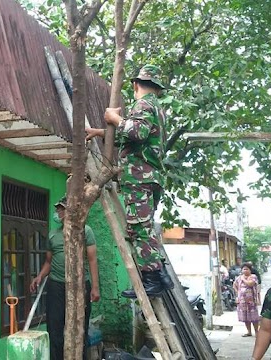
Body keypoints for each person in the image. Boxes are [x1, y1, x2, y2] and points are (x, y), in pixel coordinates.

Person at [85, 64, 173, 296]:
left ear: (136, 85)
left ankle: (153, 279)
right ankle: (160, 275)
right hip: (149, 176)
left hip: (139, 176)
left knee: (139, 229)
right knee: (143, 228)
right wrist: (101, 132)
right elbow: (138, 138)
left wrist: (115, 118)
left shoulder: (143, 104)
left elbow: (137, 133)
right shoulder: (157, 109)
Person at [30, 196, 100, 360]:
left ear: (71, 211)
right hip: (56, 286)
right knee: (54, 328)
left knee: (79, 329)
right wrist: (39, 277)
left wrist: (95, 287)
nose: (58, 212)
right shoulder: (53, 235)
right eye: (58, 208)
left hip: (80, 286)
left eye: (61, 208)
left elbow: (92, 259)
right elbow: (49, 261)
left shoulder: (85, 231)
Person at [233, 263, 260, 337]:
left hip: (251, 300)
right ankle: (249, 331)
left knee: (254, 317)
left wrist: (243, 279)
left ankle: (257, 332)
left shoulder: (253, 277)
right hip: (242, 301)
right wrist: (238, 293)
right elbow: (234, 285)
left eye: (247, 269)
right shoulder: (239, 278)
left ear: (250, 270)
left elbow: (250, 284)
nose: (245, 270)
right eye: (244, 269)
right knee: (245, 317)